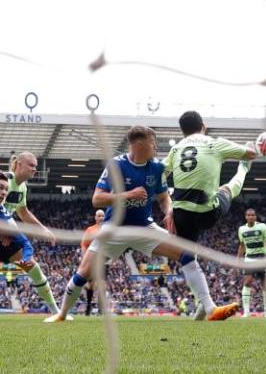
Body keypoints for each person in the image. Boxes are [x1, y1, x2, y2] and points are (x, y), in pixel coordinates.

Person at [46, 125, 239, 322]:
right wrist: (128, 194)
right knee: (83, 273)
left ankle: (210, 308)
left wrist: (169, 210)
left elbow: (164, 198)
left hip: (145, 227)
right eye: (152, 143)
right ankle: (61, 314)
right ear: (139, 144)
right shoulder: (117, 165)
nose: (155, 147)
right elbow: (97, 199)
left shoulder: (156, 168)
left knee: (187, 253)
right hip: (114, 229)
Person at [164, 111, 259, 319]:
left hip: (180, 213)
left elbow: (160, 175)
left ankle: (204, 304)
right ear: (203, 126)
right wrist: (254, 148)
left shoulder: (176, 148)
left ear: (182, 131)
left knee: (187, 257)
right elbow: (251, 154)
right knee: (227, 188)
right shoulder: (214, 143)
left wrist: (169, 206)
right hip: (207, 211)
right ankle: (205, 306)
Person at [2, 152, 61, 315]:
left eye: (35, 166)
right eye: (31, 165)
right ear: (19, 164)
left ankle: (56, 312)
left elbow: (23, 212)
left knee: (34, 269)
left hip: (7, 236)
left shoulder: (23, 187)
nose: (35, 169)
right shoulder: (5, 179)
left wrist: (43, 229)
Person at [237, 208, 266, 317]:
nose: (250, 217)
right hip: (249, 259)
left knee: (265, 285)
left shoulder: (262, 227)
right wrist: (238, 258)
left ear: (256, 216)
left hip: (263, 258)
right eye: (248, 215)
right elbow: (242, 245)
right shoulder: (241, 229)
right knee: (247, 282)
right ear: (245, 217)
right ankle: (246, 312)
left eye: (253, 215)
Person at [79, 209, 105, 316]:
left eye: (102, 216)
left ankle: (101, 309)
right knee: (90, 285)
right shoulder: (90, 230)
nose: (101, 218)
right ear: (95, 217)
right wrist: (84, 259)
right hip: (91, 260)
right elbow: (84, 245)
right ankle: (88, 305)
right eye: (99, 216)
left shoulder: (107, 230)